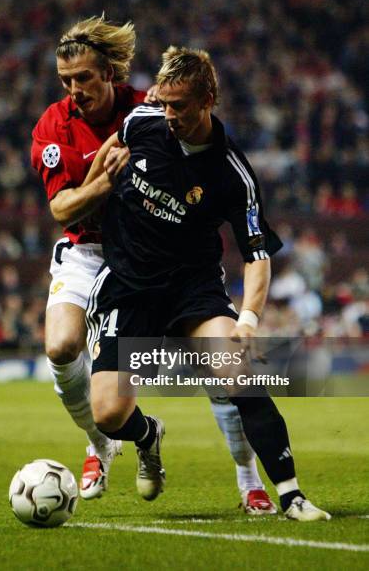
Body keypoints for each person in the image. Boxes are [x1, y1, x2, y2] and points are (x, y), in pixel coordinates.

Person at [31, 16, 273, 512]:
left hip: (151, 255)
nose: (74, 90)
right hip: (87, 250)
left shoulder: (149, 109)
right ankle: (104, 443)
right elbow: (60, 209)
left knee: (218, 363)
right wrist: (101, 184)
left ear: (110, 75)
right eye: (65, 81)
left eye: (83, 79)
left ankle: (249, 477)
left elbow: (198, 161)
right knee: (59, 346)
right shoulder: (54, 125)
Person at [84, 46, 331, 521]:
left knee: (238, 372)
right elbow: (106, 158)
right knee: (108, 415)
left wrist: (250, 319)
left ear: (208, 99)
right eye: (166, 103)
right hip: (129, 285)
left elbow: (257, 256)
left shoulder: (233, 174)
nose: (170, 114)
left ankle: (292, 495)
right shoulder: (142, 123)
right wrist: (87, 195)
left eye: (180, 105)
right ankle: (147, 435)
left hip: (192, 290)